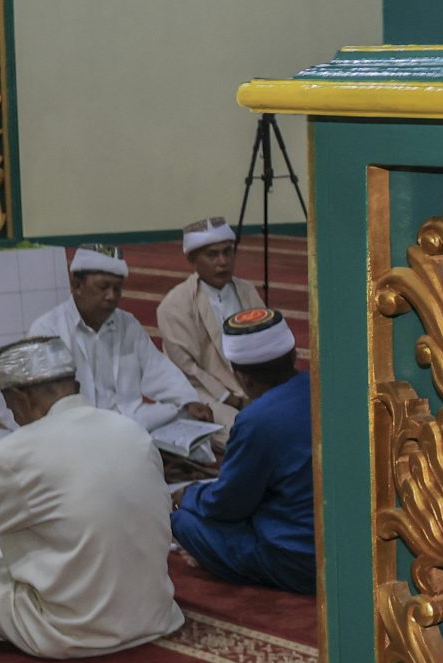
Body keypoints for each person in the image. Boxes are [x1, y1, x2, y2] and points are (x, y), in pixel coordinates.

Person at [0, 335, 183, 657]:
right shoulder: (132, 430)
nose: (15, 419)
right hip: (156, 614)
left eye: (11, 408)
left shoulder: (18, 451)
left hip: (76, 630)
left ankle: (16, 628)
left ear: (19, 396)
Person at [171, 309, 316, 594]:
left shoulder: (256, 421)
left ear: (242, 378)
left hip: (298, 557)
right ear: (293, 356)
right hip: (347, 548)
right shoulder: (322, 387)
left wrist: (186, 495)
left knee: (182, 520)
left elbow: (227, 505)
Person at [31, 245, 219, 466]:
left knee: (187, 417)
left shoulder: (127, 324)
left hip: (131, 423)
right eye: (103, 287)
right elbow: (47, 403)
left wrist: (188, 400)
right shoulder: (48, 330)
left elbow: (158, 368)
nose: (111, 297)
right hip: (80, 431)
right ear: (76, 285)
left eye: (117, 289)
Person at [155, 217, 266, 429]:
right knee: (242, 428)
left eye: (228, 252)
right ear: (192, 259)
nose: (223, 261)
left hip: (253, 387)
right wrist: (236, 400)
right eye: (212, 255)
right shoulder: (175, 304)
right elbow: (188, 369)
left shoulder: (246, 291)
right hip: (202, 392)